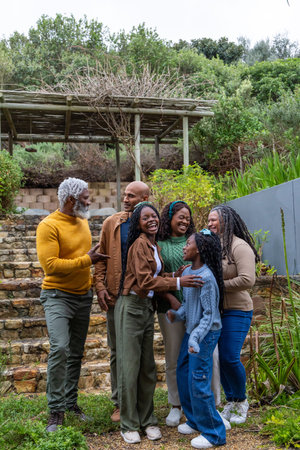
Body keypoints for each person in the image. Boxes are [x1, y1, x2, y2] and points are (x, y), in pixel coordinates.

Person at [115, 202, 203, 445]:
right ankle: (129, 423)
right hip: (131, 307)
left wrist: (176, 275)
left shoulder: (153, 244)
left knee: (147, 368)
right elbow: (144, 283)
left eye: (154, 216)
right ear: (138, 223)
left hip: (145, 308)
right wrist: (178, 284)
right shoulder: (139, 245)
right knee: (130, 367)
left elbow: (155, 276)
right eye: (145, 218)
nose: (151, 220)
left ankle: (148, 420)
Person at [36, 177, 109, 432]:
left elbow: (88, 258)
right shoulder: (48, 226)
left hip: (82, 297)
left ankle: (70, 404)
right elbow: (51, 266)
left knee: (76, 353)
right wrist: (87, 260)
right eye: (86, 197)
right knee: (60, 348)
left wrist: (95, 284)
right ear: (72, 199)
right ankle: (55, 411)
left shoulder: (83, 221)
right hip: (57, 296)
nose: (90, 201)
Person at [157, 201, 221, 427]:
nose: (185, 221)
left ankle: (211, 406)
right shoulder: (159, 243)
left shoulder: (197, 240)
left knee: (208, 357)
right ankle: (177, 405)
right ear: (170, 217)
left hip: (201, 312)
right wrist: (170, 296)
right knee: (176, 358)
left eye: (188, 217)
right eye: (180, 217)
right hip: (173, 307)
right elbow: (156, 276)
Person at [167, 230, 229, 449]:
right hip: (192, 333)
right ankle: (195, 420)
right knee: (183, 373)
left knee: (199, 381)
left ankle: (214, 433)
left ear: (199, 249)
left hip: (204, 335)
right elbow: (192, 306)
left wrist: (195, 339)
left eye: (188, 244)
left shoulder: (206, 278)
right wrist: (178, 315)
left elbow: (209, 315)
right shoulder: (191, 273)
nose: (184, 247)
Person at [94, 181, 150, 422]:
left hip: (144, 298)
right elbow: (100, 258)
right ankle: (119, 402)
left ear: (145, 198)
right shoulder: (112, 223)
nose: (125, 199)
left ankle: (140, 402)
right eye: (125, 195)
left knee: (143, 354)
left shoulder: (151, 223)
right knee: (117, 351)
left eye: (132, 196)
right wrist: (99, 286)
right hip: (116, 297)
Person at [208, 205, 258, 425]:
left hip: (238, 310)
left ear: (226, 221)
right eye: (208, 221)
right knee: (221, 360)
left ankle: (241, 400)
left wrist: (218, 285)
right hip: (218, 311)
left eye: (213, 220)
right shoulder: (213, 245)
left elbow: (248, 280)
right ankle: (231, 400)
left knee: (229, 356)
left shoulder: (240, 246)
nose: (209, 224)